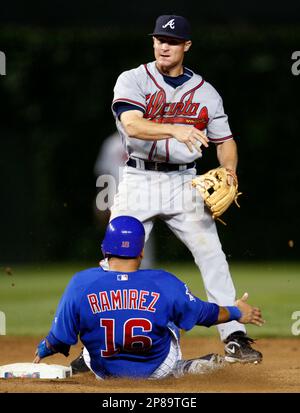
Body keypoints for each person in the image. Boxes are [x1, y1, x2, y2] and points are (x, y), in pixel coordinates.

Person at [108, 14, 262, 362]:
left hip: (184, 182)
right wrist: (176, 129)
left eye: (172, 41)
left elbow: (225, 140)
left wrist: (230, 172)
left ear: (186, 46)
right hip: (139, 179)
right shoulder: (133, 79)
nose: (164, 45)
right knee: (118, 259)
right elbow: (132, 125)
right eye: (159, 39)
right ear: (153, 42)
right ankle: (101, 341)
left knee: (212, 255)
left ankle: (235, 335)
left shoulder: (206, 92)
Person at [34, 216, 264, 379]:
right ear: (141, 251)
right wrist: (236, 312)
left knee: (90, 326)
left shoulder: (81, 283)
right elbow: (205, 313)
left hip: (104, 372)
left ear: (104, 250)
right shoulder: (163, 281)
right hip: (158, 370)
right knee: (173, 317)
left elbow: (59, 338)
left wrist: (44, 348)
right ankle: (182, 369)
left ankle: (86, 360)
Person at [94, 131, 155, 268]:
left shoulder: (145, 139)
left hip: (141, 195)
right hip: (117, 196)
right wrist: (101, 201)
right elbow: (104, 172)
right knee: (115, 235)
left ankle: (144, 270)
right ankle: (114, 270)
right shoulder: (112, 143)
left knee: (143, 234)